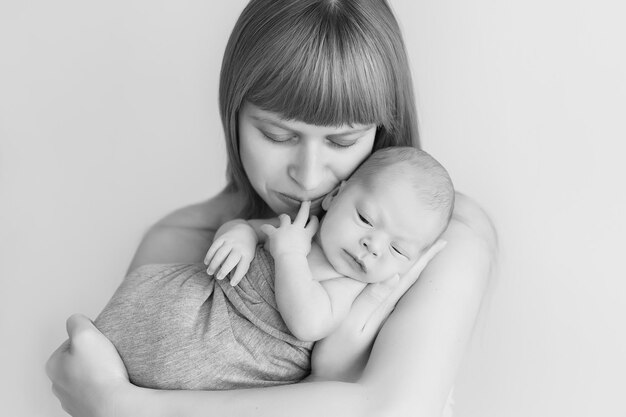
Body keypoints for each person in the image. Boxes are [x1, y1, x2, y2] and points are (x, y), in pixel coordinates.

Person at [46, 1, 497, 416]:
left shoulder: (435, 238)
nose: (309, 174)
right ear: (234, 115)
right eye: (278, 136)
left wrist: (122, 406)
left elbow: (391, 410)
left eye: (342, 141)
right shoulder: (176, 241)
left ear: (380, 130)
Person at [93, 147, 454, 391]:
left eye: (397, 249)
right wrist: (238, 236)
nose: (373, 246)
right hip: (200, 302)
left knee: (179, 370)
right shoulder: (299, 225)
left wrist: (290, 257)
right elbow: (248, 228)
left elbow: (308, 322)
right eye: (365, 219)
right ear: (335, 196)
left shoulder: (348, 286)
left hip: (234, 358)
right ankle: (108, 348)